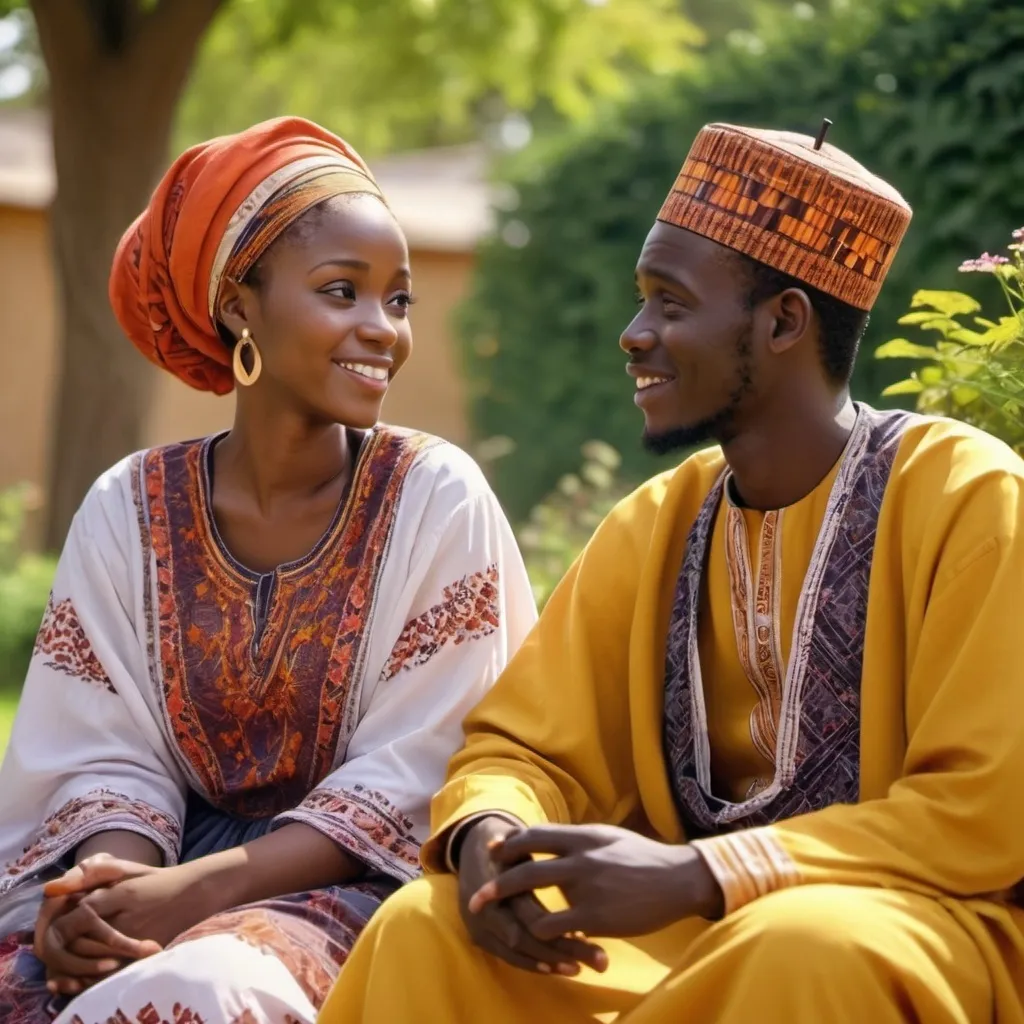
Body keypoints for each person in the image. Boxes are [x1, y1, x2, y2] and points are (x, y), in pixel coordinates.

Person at [320, 121, 1024, 1024]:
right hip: (684, 935)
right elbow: (524, 747)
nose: (634, 334)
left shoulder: (968, 495)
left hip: (909, 923)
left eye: (670, 304)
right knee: (427, 927)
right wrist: (493, 838)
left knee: (801, 947)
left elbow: (984, 810)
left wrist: (703, 871)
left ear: (783, 322)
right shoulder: (656, 523)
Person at [0, 116, 536, 1024]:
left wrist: (201, 897)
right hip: (165, 874)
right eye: (343, 291)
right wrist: (109, 894)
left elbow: (421, 772)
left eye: (398, 300)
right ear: (239, 305)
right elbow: (103, 751)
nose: (383, 330)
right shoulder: (128, 506)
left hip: (371, 893)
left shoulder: (434, 495)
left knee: (206, 989)